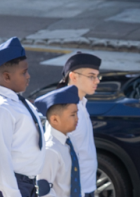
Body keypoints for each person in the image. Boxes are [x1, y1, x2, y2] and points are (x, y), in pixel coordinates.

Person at [0, 37, 46, 197]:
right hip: (9, 185)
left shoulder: (17, 101)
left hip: (23, 182)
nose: (28, 76)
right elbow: (1, 161)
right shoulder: (0, 109)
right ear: (7, 77)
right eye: (24, 72)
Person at [58, 53, 102, 197]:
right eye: (91, 76)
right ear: (74, 76)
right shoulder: (66, 110)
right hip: (74, 190)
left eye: (97, 76)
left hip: (86, 187)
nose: (97, 81)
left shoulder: (81, 104)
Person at [34, 85, 82, 197]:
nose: (77, 118)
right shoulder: (50, 149)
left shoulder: (70, 140)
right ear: (55, 119)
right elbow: (43, 191)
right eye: (72, 115)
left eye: (77, 113)